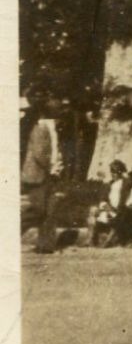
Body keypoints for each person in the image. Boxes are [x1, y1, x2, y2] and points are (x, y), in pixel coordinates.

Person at [21, 97, 64, 254]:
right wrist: (52, 167)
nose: (60, 112)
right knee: (38, 210)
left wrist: (57, 166)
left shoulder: (52, 128)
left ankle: (46, 246)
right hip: (38, 175)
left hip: (49, 175)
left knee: (50, 210)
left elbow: (53, 150)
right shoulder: (40, 128)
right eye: (58, 109)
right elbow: (39, 154)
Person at [89, 159, 130, 248]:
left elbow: (125, 201)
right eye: (112, 171)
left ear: (121, 172)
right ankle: (91, 239)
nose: (113, 174)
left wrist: (112, 209)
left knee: (118, 215)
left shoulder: (126, 184)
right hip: (108, 209)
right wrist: (103, 207)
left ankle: (107, 242)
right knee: (93, 210)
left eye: (116, 171)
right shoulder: (110, 184)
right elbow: (103, 198)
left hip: (119, 211)